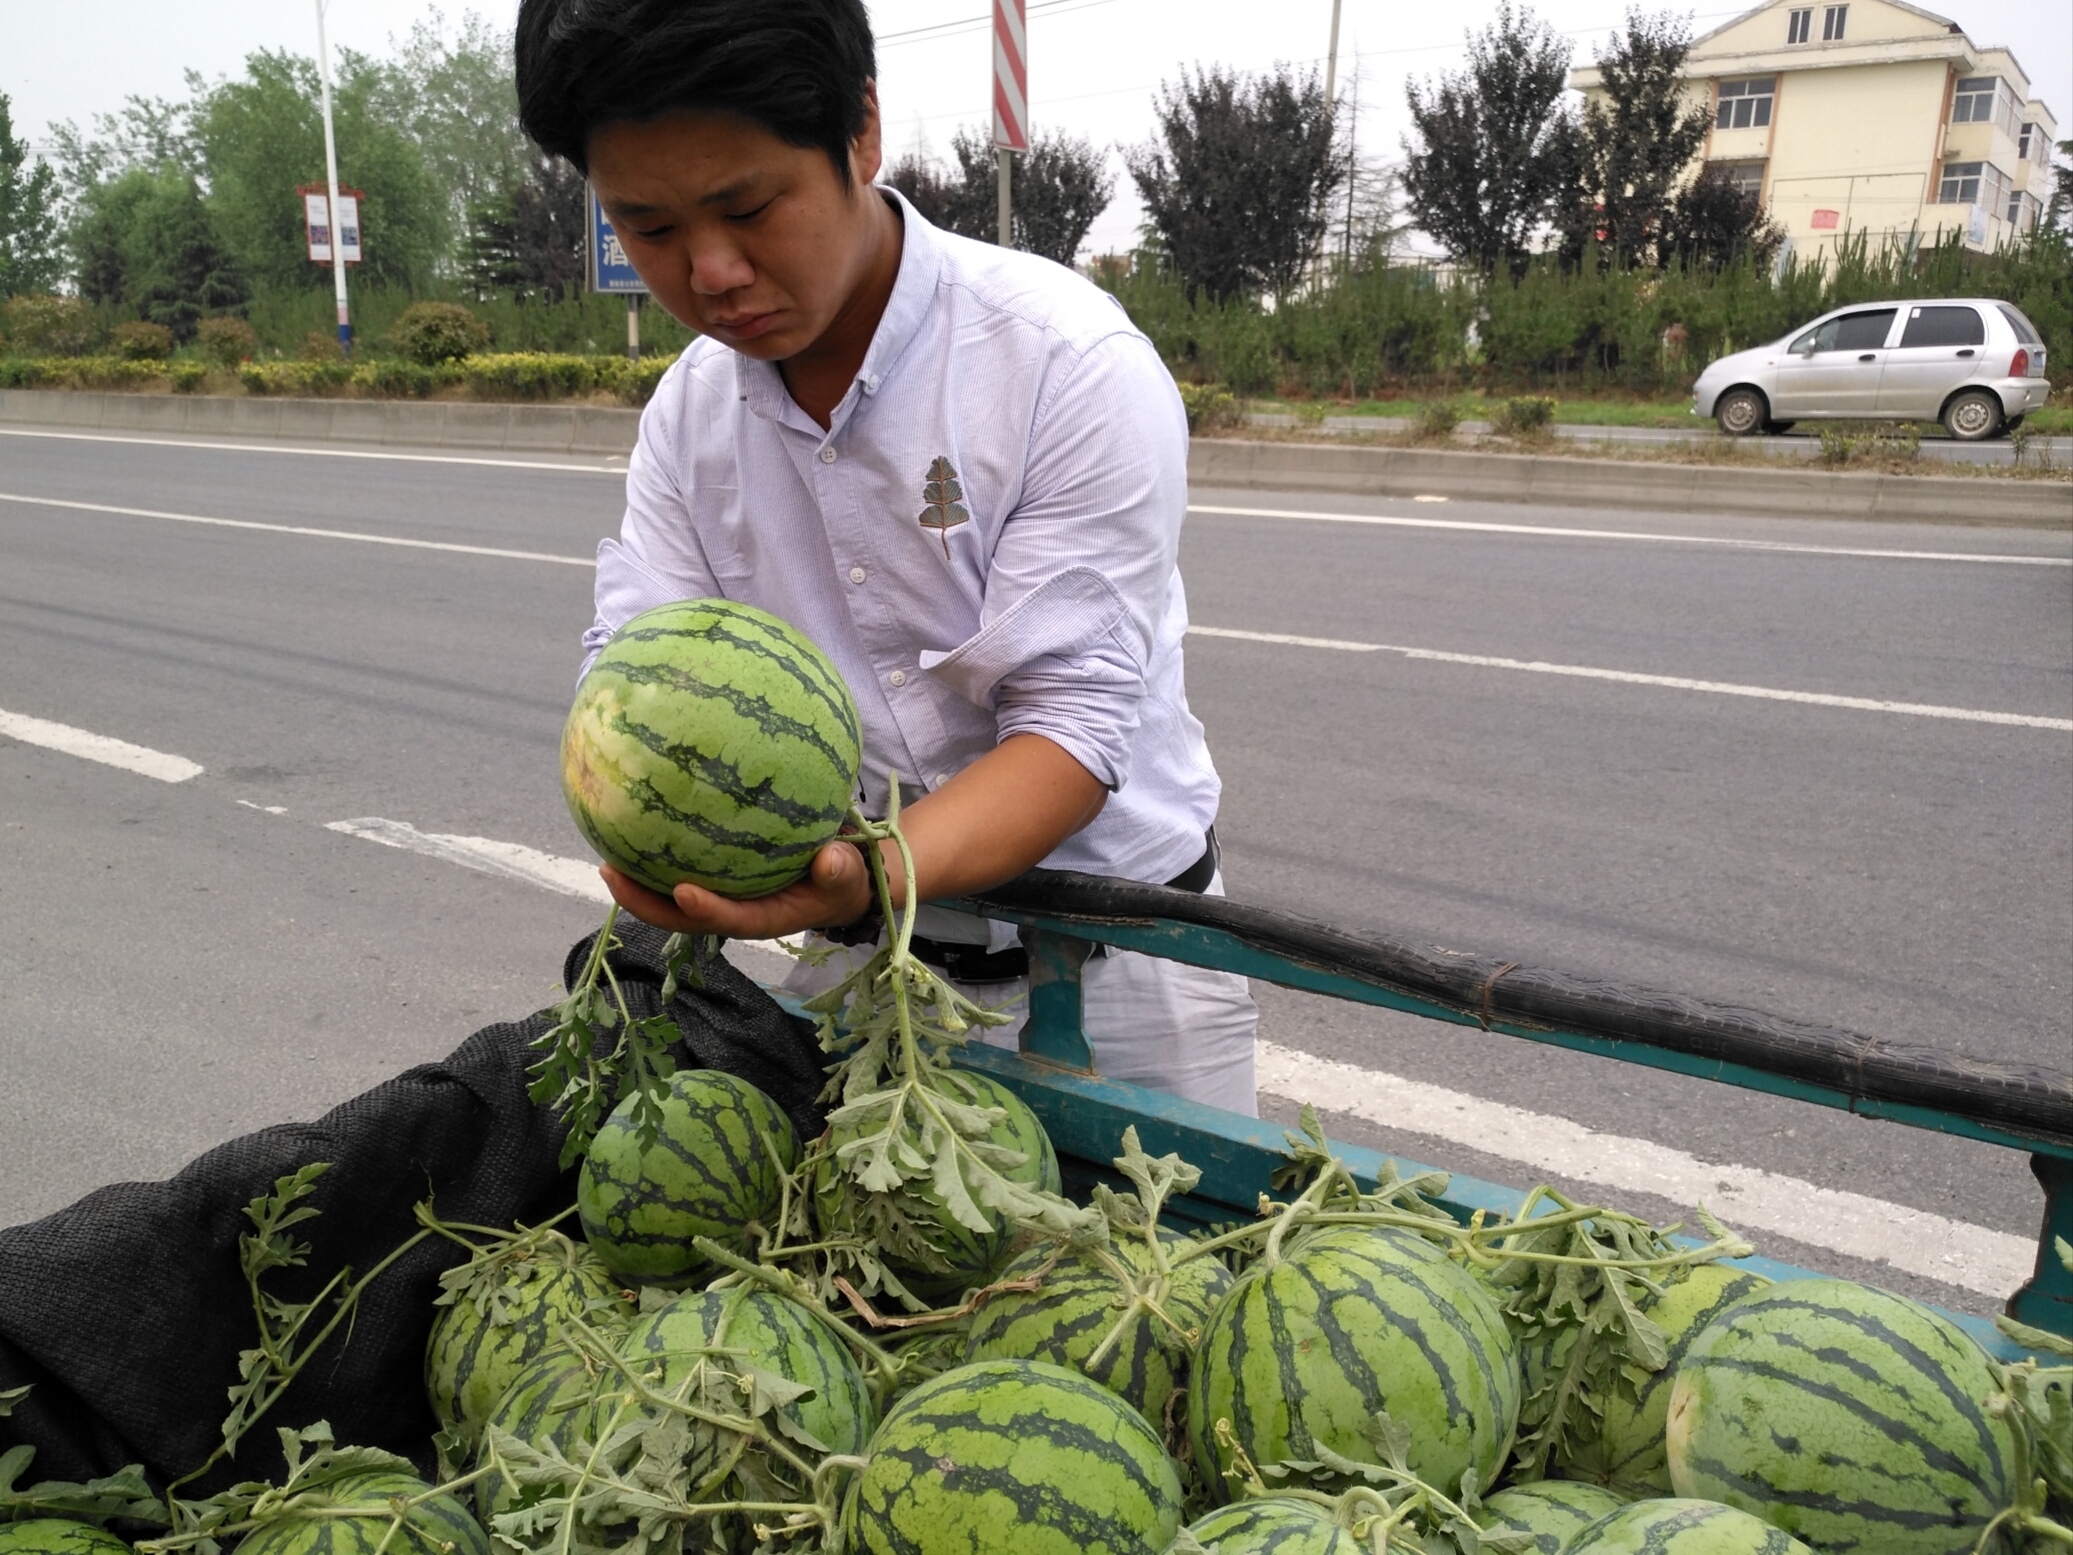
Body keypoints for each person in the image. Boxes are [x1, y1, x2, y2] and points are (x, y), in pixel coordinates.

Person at [515, 0, 1258, 1112]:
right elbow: (638, 668)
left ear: (861, 132)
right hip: (863, 973)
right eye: (649, 229)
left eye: (747, 207)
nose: (710, 272)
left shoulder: (1066, 365)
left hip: (1121, 979)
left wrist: (867, 872)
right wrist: (652, 808)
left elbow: (1069, 728)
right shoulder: (688, 415)